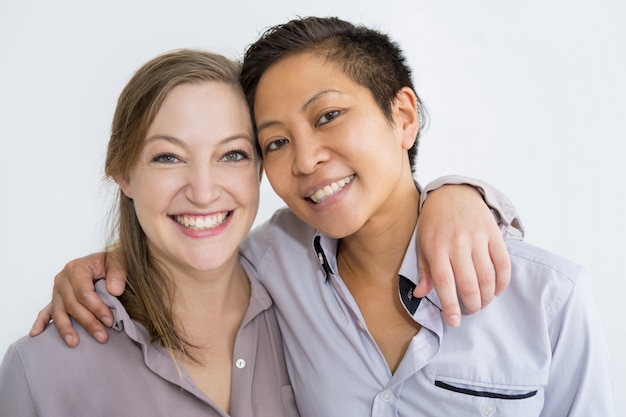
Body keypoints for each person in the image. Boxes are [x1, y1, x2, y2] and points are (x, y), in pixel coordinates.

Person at [37, 16, 616, 416]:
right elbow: (190, 241)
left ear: (403, 116)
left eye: (329, 115)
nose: (307, 159)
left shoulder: (550, 299)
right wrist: (101, 267)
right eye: (274, 142)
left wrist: (461, 193)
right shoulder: (271, 266)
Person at [0, 49, 299, 416]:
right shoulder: (41, 370)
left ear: (259, 170)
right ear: (124, 174)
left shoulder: (308, 315)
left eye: (233, 154)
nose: (203, 192)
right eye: (168, 157)